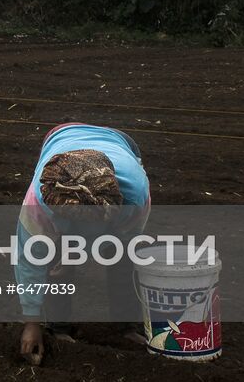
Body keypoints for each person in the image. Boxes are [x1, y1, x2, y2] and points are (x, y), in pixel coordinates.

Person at [16, 123, 151, 360]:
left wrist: (80, 251)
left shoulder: (135, 194)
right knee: (54, 258)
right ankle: (57, 327)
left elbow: (126, 238)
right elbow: (29, 261)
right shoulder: (39, 201)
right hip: (61, 137)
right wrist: (31, 323)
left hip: (121, 142)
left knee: (124, 254)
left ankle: (128, 325)